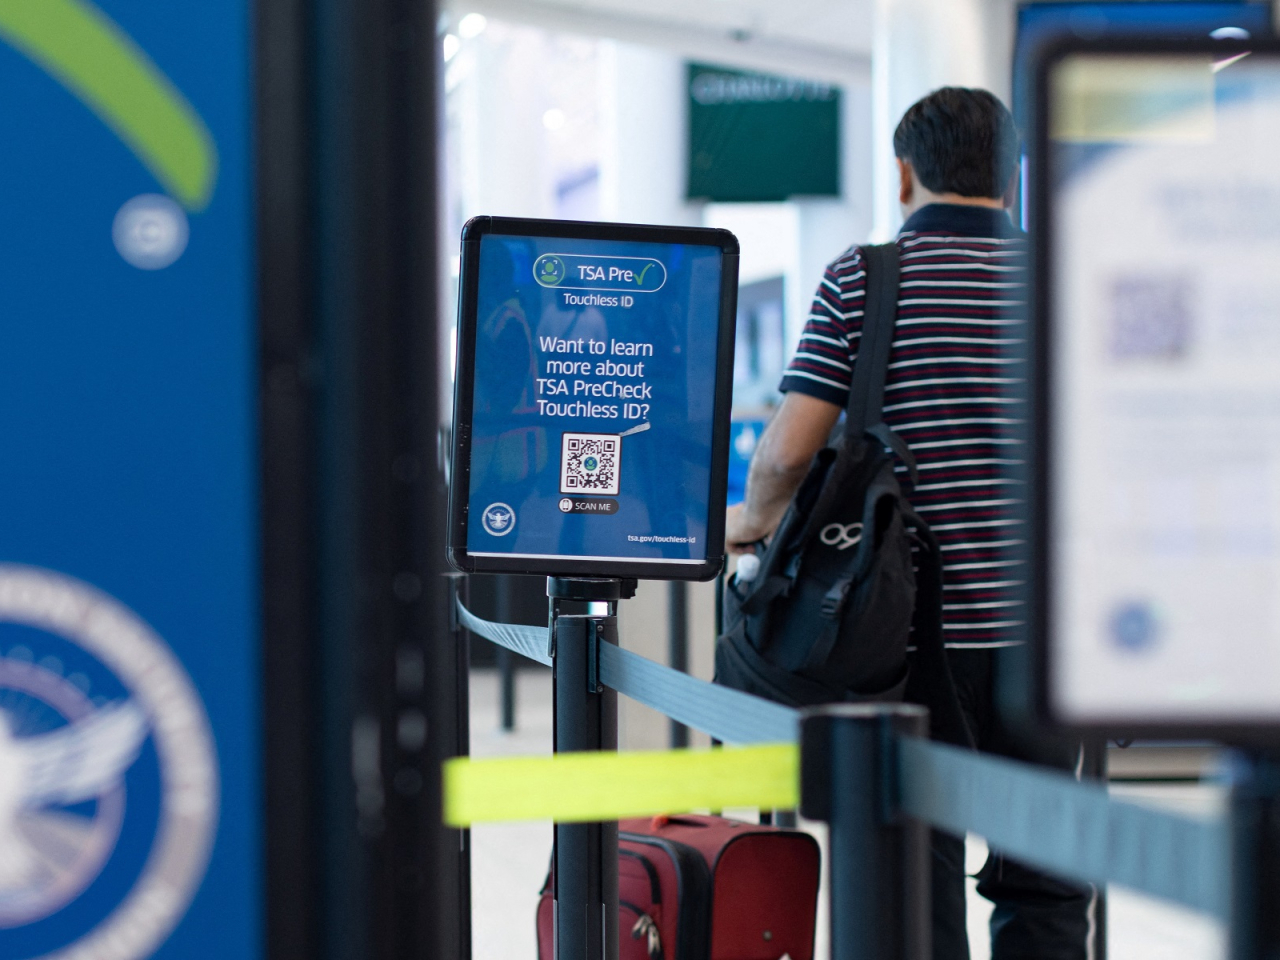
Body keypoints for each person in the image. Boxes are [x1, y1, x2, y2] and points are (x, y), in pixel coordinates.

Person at [724, 87, 1090, 960]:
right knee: (1044, 875)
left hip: (911, 627)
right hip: (1051, 632)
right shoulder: (1068, 275)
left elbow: (787, 451)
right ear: (1013, 176)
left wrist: (756, 521)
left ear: (902, 175)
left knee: (914, 874)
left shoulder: (867, 277)